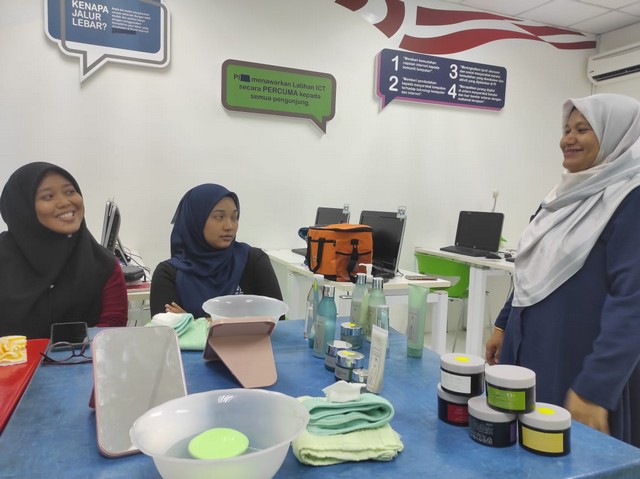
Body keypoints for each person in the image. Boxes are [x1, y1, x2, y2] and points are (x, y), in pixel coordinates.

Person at [485, 93, 640, 447]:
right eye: (567, 129)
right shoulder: (560, 197)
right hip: (528, 345)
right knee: (520, 445)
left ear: (617, 135)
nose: (567, 139)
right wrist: (503, 324)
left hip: (577, 361)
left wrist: (595, 388)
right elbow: (533, 264)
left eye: (582, 129)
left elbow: (633, 300)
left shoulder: (630, 199)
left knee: (566, 453)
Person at [0, 162, 129, 339]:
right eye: (48, 196)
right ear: (22, 207)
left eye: (70, 192)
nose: (65, 202)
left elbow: (111, 330)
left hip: (82, 356)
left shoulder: (103, 264)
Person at [150, 183, 283, 318]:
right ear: (196, 220)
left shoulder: (252, 260)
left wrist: (192, 322)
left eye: (234, 217)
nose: (229, 226)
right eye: (219, 217)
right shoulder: (168, 274)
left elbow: (278, 320)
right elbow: (165, 328)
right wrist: (243, 319)